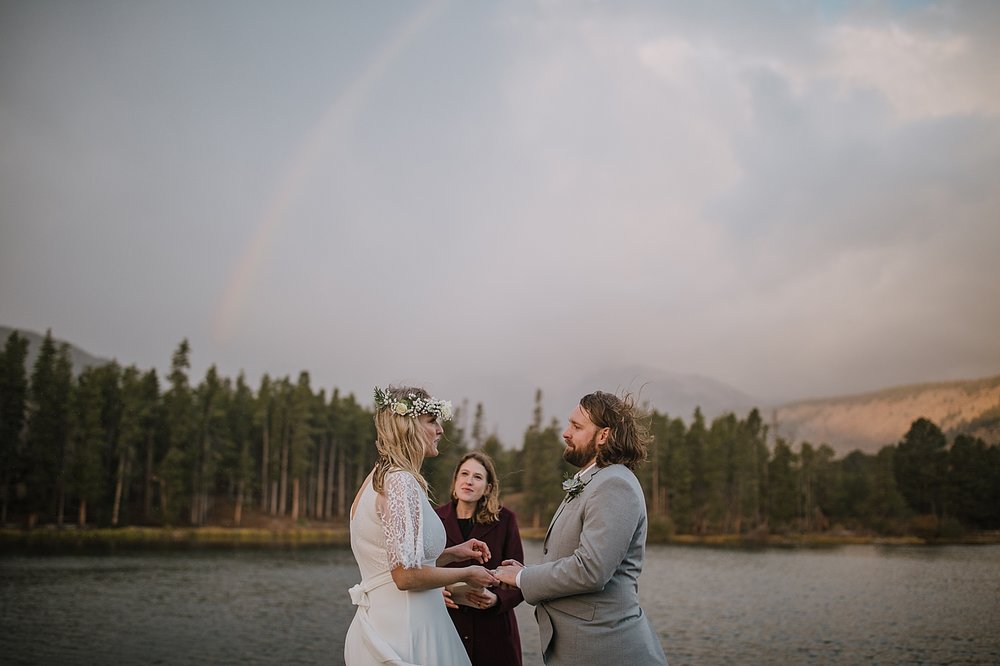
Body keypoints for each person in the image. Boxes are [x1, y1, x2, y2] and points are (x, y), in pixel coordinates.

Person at [494, 391, 668, 665]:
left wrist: (521, 579)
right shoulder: (593, 480)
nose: (566, 433)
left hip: (606, 650)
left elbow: (591, 570)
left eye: (576, 427)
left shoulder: (614, 485)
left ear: (603, 436)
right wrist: (528, 572)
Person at [345, 386, 499, 665]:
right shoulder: (401, 481)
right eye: (432, 421)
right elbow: (405, 576)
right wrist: (467, 573)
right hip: (408, 632)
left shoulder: (375, 479)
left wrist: (453, 553)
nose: (440, 430)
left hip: (383, 622)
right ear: (409, 426)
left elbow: (392, 562)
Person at [435, 451, 525, 666]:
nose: (469, 481)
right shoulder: (434, 519)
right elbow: (418, 569)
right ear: (455, 481)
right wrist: (433, 591)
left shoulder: (505, 520)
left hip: (494, 633)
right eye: (464, 474)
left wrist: (497, 600)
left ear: (488, 488)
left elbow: (522, 577)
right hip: (447, 627)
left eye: (477, 477)